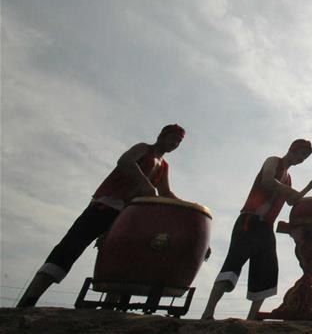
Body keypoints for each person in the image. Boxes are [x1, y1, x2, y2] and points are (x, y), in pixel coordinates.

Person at [16, 124, 185, 308]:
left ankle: (110, 307)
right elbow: (125, 161)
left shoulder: (164, 166)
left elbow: (166, 193)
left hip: (127, 217)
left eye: (178, 141)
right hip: (105, 205)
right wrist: (145, 183)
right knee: (69, 248)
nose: (174, 143)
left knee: (122, 257)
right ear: (162, 135)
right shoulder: (144, 148)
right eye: (173, 138)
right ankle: (29, 299)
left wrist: (188, 209)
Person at [201, 139, 312, 320]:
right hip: (249, 220)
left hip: (266, 227)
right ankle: (208, 313)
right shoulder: (274, 161)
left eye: (305, 156)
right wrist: (291, 192)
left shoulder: (288, 178)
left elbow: (292, 201)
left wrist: (309, 187)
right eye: (301, 153)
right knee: (232, 264)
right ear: (292, 149)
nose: (302, 159)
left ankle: (252, 319)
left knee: (267, 270)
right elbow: (267, 180)